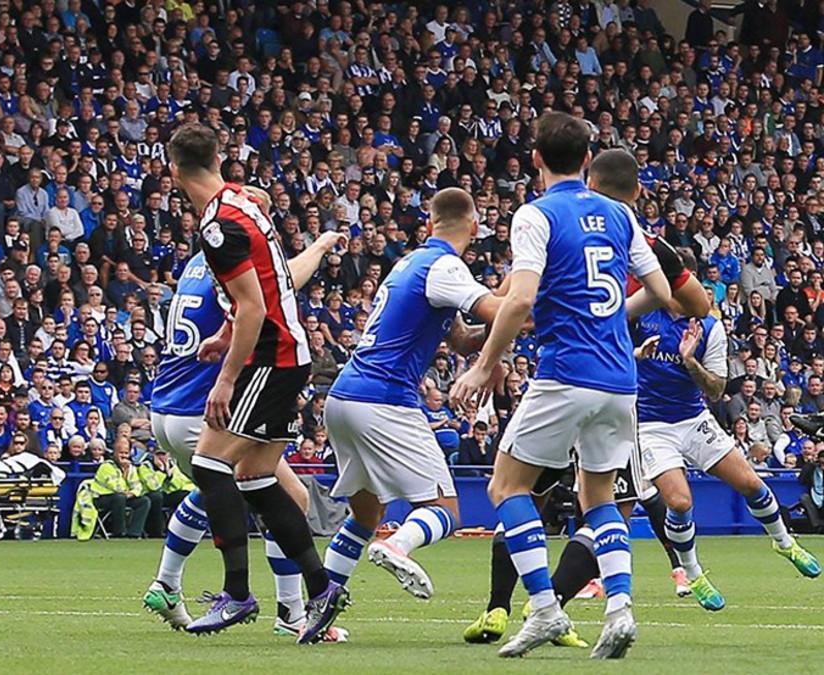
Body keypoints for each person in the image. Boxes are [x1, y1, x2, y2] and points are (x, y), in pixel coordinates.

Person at [465, 148, 711, 647]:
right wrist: (613, 317)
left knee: (507, 488)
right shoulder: (622, 217)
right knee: (601, 499)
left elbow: (520, 298)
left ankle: (543, 608)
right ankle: (619, 610)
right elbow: (667, 293)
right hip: (620, 379)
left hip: (566, 372)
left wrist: (484, 364)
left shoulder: (538, 213)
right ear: (585, 159)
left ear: (534, 157)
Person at [167, 124, 343, 642]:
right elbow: (263, 285)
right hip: (287, 355)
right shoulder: (243, 200)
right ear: (220, 160)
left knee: (208, 463)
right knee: (256, 478)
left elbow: (253, 305)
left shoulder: (218, 226)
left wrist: (223, 380)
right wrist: (224, 336)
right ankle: (322, 585)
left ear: (174, 172)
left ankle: (237, 593)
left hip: (270, 359)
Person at [320, 187, 501, 606]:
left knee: (365, 513)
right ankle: (397, 546)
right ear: (474, 227)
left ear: (429, 224)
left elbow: (461, 339)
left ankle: (318, 605)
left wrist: (508, 321)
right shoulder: (445, 267)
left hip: (344, 397)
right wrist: (531, 305)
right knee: (446, 509)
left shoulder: (411, 262)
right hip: (384, 399)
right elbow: (500, 312)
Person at [633, 306, 820, 610]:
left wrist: (690, 360)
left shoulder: (709, 327)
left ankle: (784, 543)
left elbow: (718, 389)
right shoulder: (642, 314)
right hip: (650, 426)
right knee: (679, 502)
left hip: (694, 419)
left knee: (751, 482)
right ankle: (693, 574)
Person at [89, 437, 150, 538]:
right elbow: (116, 487)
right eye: (121, 453)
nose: (124, 456)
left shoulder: (131, 468)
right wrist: (125, 474)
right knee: (119, 497)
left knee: (144, 501)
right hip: (101, 498)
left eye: (126, 453)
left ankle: (134, 533)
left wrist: (133, 493)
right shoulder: (106, 466)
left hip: (124, 497)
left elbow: (137, 486)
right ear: (115, 453)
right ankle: (119, 532)